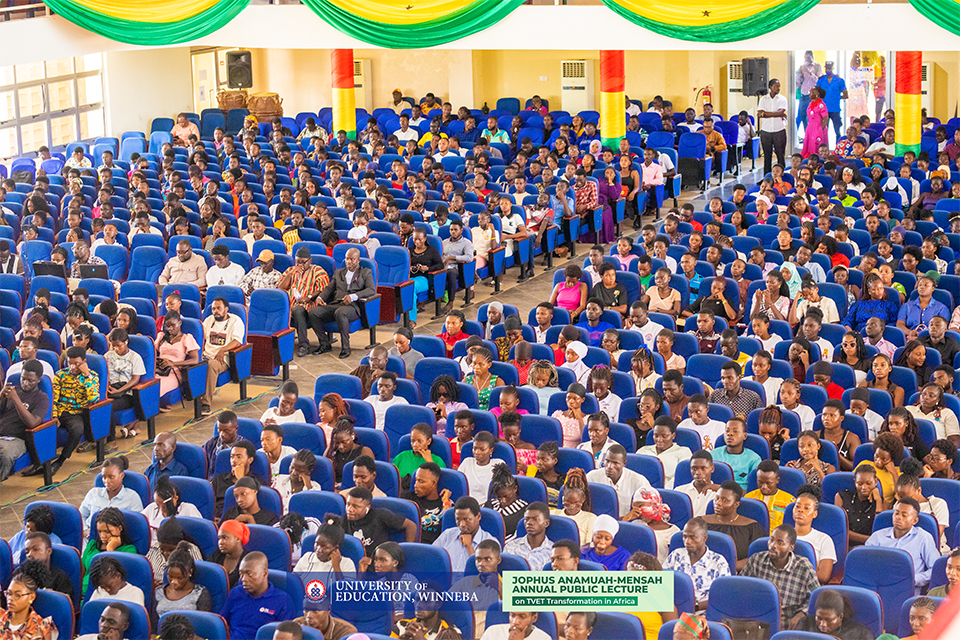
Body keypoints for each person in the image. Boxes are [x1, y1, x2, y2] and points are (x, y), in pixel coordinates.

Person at [739, 524, 820, 630]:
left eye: (780, 543)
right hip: (757, 622)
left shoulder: (803, 567)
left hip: (789, 625)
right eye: (771, 540)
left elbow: (817, 597)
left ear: (791, 547)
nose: (773, 545)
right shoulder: (756, 560)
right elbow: (740, 589)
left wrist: (802, 614)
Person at [307, 247, 376, 359]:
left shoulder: (365, 272)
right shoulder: (339, 273)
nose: (348, 261)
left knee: (341, 313)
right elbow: (329, 288)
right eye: (347, 259)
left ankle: (345, 347)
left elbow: (371, 290)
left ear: (358, 260)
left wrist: (353, 297)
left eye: (352, 259)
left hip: (353, 306)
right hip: (336, 304)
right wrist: (320, 297)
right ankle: (325, 343)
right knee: (313, 312)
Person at [865, 497, 939, 592]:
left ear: (915, 521)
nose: (898, 517)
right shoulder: (877, 537)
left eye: (904, 515)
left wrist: (913, 579)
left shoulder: (923, 538)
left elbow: (935, 568)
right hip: (877, 587)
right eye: (896, 513)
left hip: (906, 590)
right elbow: (865, 563)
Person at [220, 552, 294, 640]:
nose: (244, 579)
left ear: (265, 573)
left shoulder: (283, 600)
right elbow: (222, 625)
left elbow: (285, 636)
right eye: (241, 574)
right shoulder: (235, 593)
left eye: (249, 574)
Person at [0, 361, 49, 482]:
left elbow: (32, 423)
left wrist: (16, 399)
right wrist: (1, 396)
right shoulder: (12, 390)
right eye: (23, 379)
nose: (25, 383)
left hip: (17, 439)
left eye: (30, 381)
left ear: (38, 380)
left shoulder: (41, 398)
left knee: (5, 454)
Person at [281, 246, 331, 358]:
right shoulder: (290, 270)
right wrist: (290, 275)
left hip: (309, 305)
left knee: (298, 310)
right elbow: (280, 289)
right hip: (290, 306)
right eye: (297, 261)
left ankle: (303, 345)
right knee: (287, 309)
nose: (300, 265)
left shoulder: (317, 271)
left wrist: (308, 297)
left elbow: (322, 289)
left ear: (310, 260)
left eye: (303, 262)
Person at [703, 481, 765, 570]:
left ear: (736, 504)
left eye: (725, 500)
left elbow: (758, 556)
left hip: (738, 573)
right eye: (716, 498)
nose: (718, 503)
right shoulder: (700, 523)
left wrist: (730, 567)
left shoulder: (751, 527)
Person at [343, 486, 417, 556]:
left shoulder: (381, 515)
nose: (349, 509)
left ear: (367, 508)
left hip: (379, 562)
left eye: (355, 507)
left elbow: (411, 525)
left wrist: (407, 552)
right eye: (348, 504)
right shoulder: (345, 519)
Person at [78, 456, 144, 534]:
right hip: (89, 539)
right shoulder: (93, 493)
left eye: (111, 477)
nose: (107, 481)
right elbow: (81, 516)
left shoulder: (132, 498)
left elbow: (137, 526)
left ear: (121, 475)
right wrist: (85, 530)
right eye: (104, 477)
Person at [81, 507, 138, 594]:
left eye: (107, 531)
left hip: (105, 592)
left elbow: (111, 575)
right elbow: (82, 570)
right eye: (100, 531)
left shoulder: (129, 550)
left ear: (119, 528)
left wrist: (110, 549)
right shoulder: (92, 544)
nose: (103, 536)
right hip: (83, 590)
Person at [432, 496, 496, 572]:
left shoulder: (490, 543)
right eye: (458, 520)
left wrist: (469, 547)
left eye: (467, 520)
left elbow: (486, 576)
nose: (462, 524)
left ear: (478, 517)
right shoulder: (448, 535)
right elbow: (431, 559)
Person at [586, 444, 651, 517]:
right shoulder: (592, 477)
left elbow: (649, 510)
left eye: (615, 463)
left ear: (624, 464)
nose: (610, 466)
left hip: (627, 524)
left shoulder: (639, 482)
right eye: (607, 461)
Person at [0, 561, 55, 640]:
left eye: (17, 595)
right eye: (9, 593)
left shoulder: (42, 627)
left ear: (31, 597)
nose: (10, 598)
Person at [795, 589, 874, 640]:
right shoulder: (805, 625)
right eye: (819, 618)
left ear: (840, 617)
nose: (823, 624)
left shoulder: (859, 633)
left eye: (828, 620)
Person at [637, 417, 692, 489]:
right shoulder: (643, 451)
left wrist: (662, 491)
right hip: (641, 490)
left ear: (673, 435)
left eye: (664, 436)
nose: (659, 440)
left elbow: (681, 477)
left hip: (668, 492)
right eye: (656, 436)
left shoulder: (683, 452)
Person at [745, 460, 795, 533]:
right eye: (760, 482)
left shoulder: (789, 501)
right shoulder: (749, 498)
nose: (764, 487)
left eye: (768, 483)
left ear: (777, 480)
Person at [710, 418, 761, 490]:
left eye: (735, 431)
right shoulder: (713, 455)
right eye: (727, 431)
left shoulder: (754, 459)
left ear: (744, 436)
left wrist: (722, 489)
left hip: (741, 498)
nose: (729, 434)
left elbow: (754, 490)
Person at [326, 418, 374, 488]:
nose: (340, 446)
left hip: (356, 488)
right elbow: (325, 472)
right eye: (337, 443)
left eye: (344, 442)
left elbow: (367, 478)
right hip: (334, 488)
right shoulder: (331, 450)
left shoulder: (364, 451)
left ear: (352, 436)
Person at [504, 502, 554, 570]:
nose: (529, 522)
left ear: (546, 523)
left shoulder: (553, 552)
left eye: (535, 519)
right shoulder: (510, 547)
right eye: (526, 519)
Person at [208, 519, 249, 589]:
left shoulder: (248, 560)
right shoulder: (216, 556)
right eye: (219, 538)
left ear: (238, 538)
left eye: (225, 538)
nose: (221, 542)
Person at [758, 78, 787, 174]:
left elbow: (780, 112)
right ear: (770, 87)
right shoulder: (763, 99)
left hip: (779, 130)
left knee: (780, 155)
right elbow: (759, 113)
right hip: (766, 131)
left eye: (779, 86)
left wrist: (765, 114)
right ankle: (767, 177)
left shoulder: (782, 99)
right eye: (776, 86)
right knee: (767, 155)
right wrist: (776, 114)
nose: (778, 88)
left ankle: (781, 175)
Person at [479, 611, 551, 640]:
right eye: (512, 615)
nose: (515, 621)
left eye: (522, 617)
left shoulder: (544, 638)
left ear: (534, 618)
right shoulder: (492, 632)